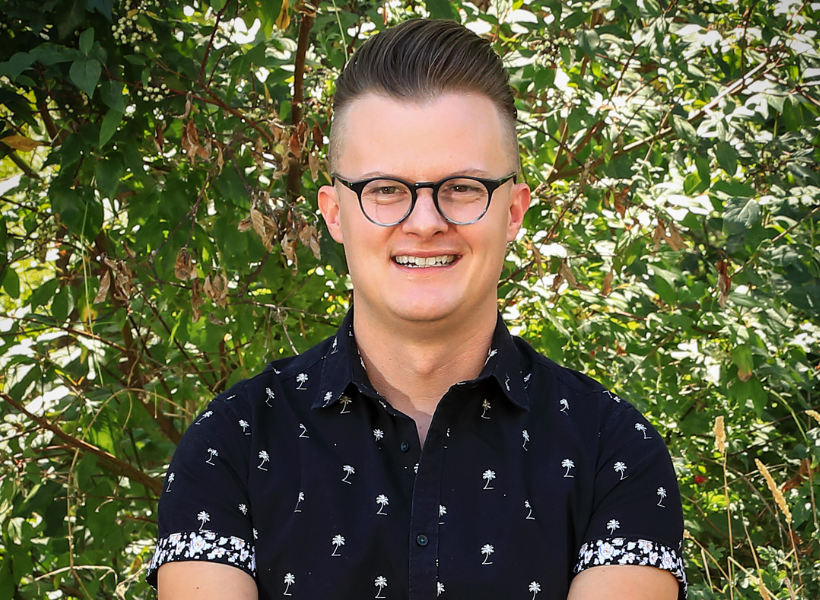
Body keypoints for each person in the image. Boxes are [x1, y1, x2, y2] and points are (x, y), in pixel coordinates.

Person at [146, 18, 686, 600]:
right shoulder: (231, 445)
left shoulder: (613, 450)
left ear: (513, 212)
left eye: (463, 188)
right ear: (334, 214)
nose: (425, 222)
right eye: (385, 189)